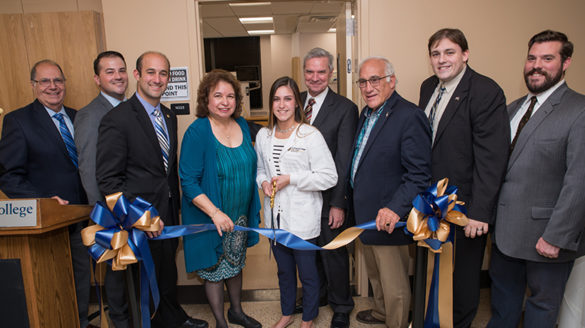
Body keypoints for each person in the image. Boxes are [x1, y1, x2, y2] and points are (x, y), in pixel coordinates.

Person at [96, 51, 208, 328]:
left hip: (168, 211)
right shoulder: (117, 119)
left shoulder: (168, 116)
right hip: (139, 219)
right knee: (144, 280)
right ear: (137, 75)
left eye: (163, 73)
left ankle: (172, 317)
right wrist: (140, 217)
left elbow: (165, 172)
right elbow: (108, 180)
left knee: (167, 271)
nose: (157, 79)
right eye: (150, 72)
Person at [488, 30, 585, 328]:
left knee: (541, 311)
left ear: (566, 62)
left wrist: (557, 236)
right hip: (504, 236)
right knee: (503, 308)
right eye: (531, 58)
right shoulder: (513, 109)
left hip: (546, 238)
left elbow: (579, 180)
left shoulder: (578, 110)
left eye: (547, 58)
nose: (536, 65)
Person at [418, 28, 510, 328]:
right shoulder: (428, 87)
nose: (441, 60)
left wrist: (480, 213)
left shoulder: (485, 91)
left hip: (465, 208)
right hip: (433, 204)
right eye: (435, 53)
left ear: (465, 54)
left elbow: (491, 158)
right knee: (437, 271)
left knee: (463, 278)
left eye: (449, 52)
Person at [0, 60, 92, 327]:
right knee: (53, 287)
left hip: (81, 216)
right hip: (48, 222)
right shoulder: (18, 121)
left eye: (58, 81)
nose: (53, 87)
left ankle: (81, 322)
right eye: (45, 81)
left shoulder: (79, 117)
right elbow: (8, 174)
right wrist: (42, 201)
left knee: (81, 279)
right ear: (33, 86)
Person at [351, 57, 431, 328]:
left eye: (375, 80)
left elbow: (419, 175)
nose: (368, 87)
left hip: (390, 217)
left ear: (391, 81)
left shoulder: (409, 116)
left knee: (394, 284)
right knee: (376, 275)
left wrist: (396, 208)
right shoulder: (367, 113)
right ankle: (382, 314)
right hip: (367, 214)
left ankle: (396, 321)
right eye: (363, 81)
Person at [179, 69, 262, 328]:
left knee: (235, 263)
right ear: (206, 99)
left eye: (230, 96)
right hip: (210, 215)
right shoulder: (198, 131)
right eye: (217, 95)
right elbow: (188, 181)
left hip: (238, 214)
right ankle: (220, 322)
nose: (224, 101)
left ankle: (236, 311)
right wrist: (214, 212)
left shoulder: (242, 125)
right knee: (214, 269)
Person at [255, 76, 337, 328]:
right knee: (284, 272)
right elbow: (260, 169)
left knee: (308, 274)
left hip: (302, 218)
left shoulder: (309, 135)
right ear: (271, 104)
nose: (282, 104)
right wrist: (264, 183)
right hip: (275, 219)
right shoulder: (263, 135)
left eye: (288, 98)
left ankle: (308, 318)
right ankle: (287, 313)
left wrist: (292, 179)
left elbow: (328, 176)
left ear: (297, 103)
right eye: (277, 99)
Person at [296, 47, 358, 328]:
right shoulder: (294, 102)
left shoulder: (345, 108)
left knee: (333, 252)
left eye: (322, 71)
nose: (315, 77)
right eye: (310, 71)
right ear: (304, 72)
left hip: (328, 197)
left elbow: (344, 159)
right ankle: (318, 296)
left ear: (331, 74)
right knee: (308, 250)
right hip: (299, 195)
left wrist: (338, 202)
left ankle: (342, 304)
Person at [75, 50, 131, 327]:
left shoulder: (131, 109)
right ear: (97, 79)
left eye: (121, 70)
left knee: (132, 273)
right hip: (111, 214)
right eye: (109, 72)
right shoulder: (90, 115)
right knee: (117, 274)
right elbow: (88, 170)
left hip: (131, 211)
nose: (117, 76)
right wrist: (108, 216)